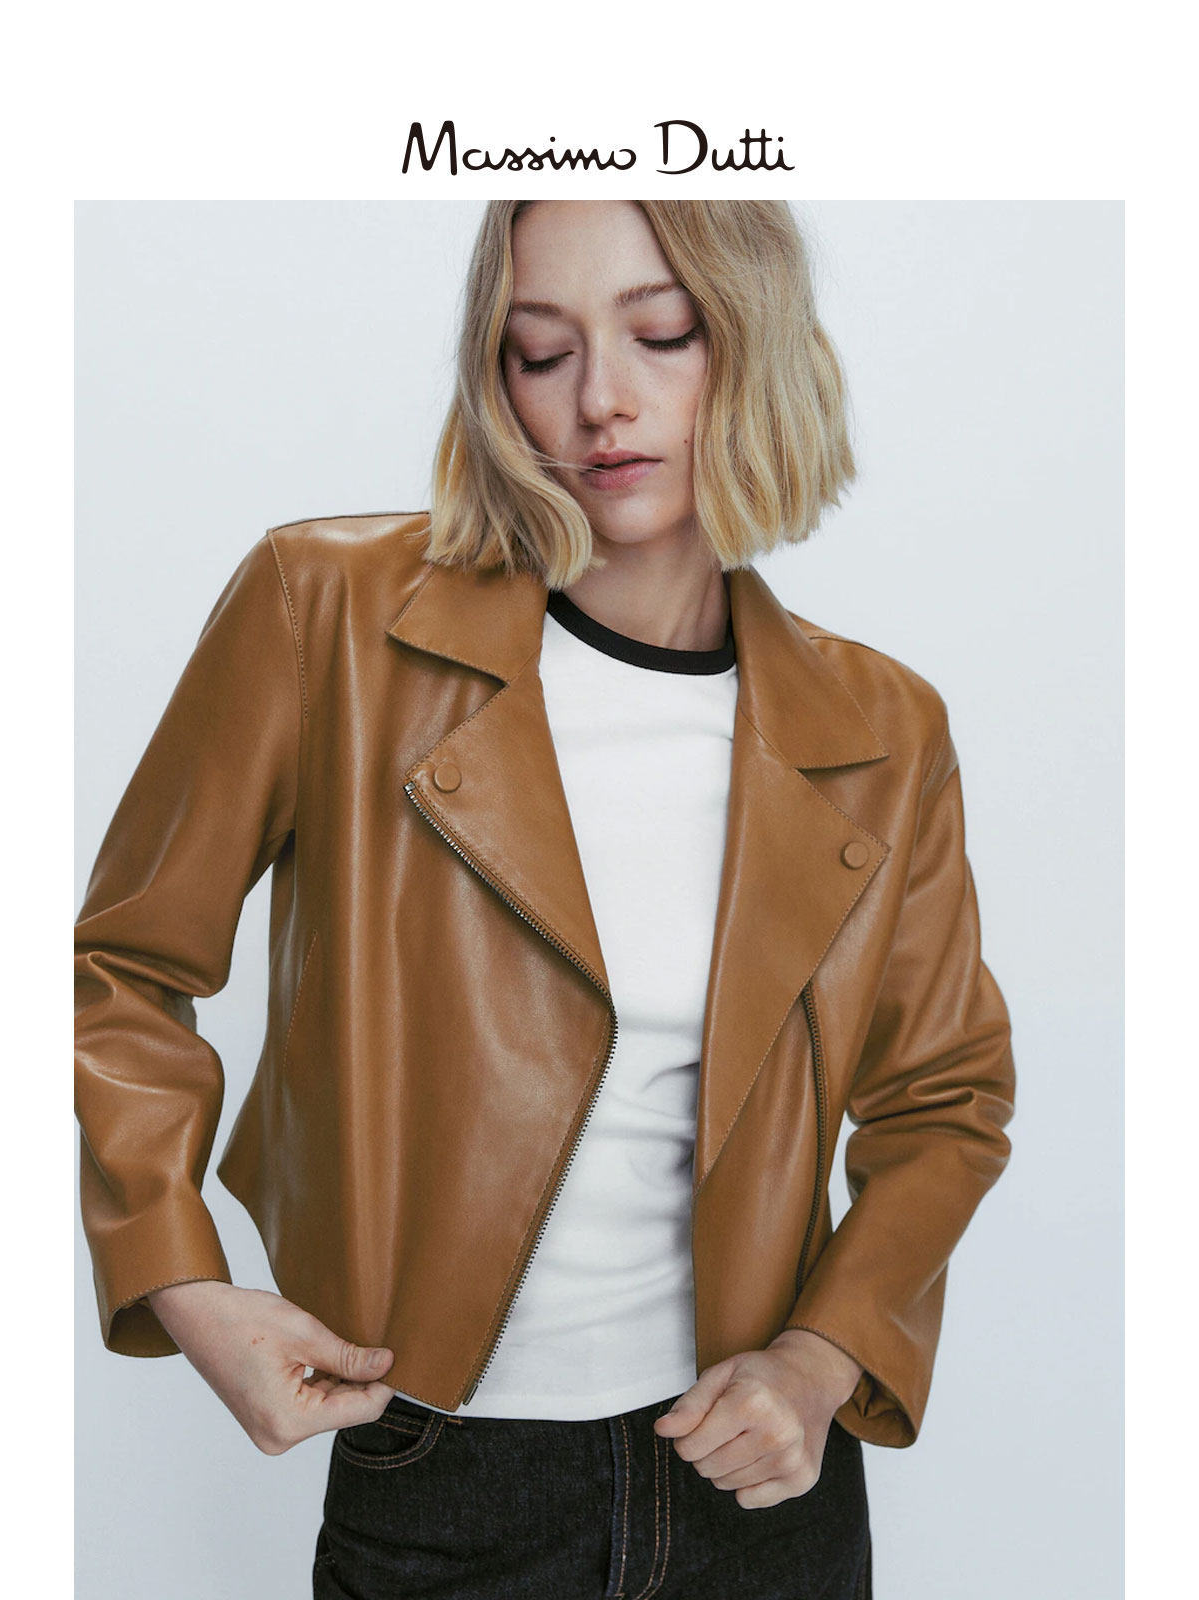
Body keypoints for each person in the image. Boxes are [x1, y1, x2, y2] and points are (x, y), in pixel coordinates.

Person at [74, 199, 1016, 1600]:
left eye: (663, 333)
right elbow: (118, 973)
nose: (600, 402)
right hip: (443, 1476)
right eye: (539, 350)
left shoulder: (883, 727)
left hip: (762, 1492)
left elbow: (946, 1097)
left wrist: (822, 1362)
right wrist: (180, 1279)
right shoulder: (326, 614)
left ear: (754, 343)